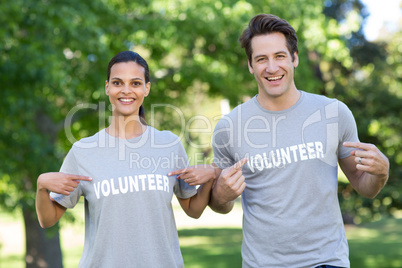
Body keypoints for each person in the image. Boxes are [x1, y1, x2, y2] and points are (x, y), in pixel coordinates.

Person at [179, 14, 389, 267]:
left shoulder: (333, 113)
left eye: (279, 56)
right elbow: (221, 205)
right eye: (261, 59)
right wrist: (221, 196)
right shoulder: (229, 127)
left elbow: (364, 186)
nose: (271, 67)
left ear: (295, 58)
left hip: (327, 261)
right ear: (250, 65)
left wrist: (380, 173)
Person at [35, 51, 217, 268]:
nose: (126, 90)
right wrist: (41, 188)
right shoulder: (83, 151)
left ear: (146, 89)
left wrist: (210, 178)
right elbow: (48, 220)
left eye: (136, 83)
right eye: (118, 82)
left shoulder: (168, 144)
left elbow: (193, 210)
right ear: (107, 87)